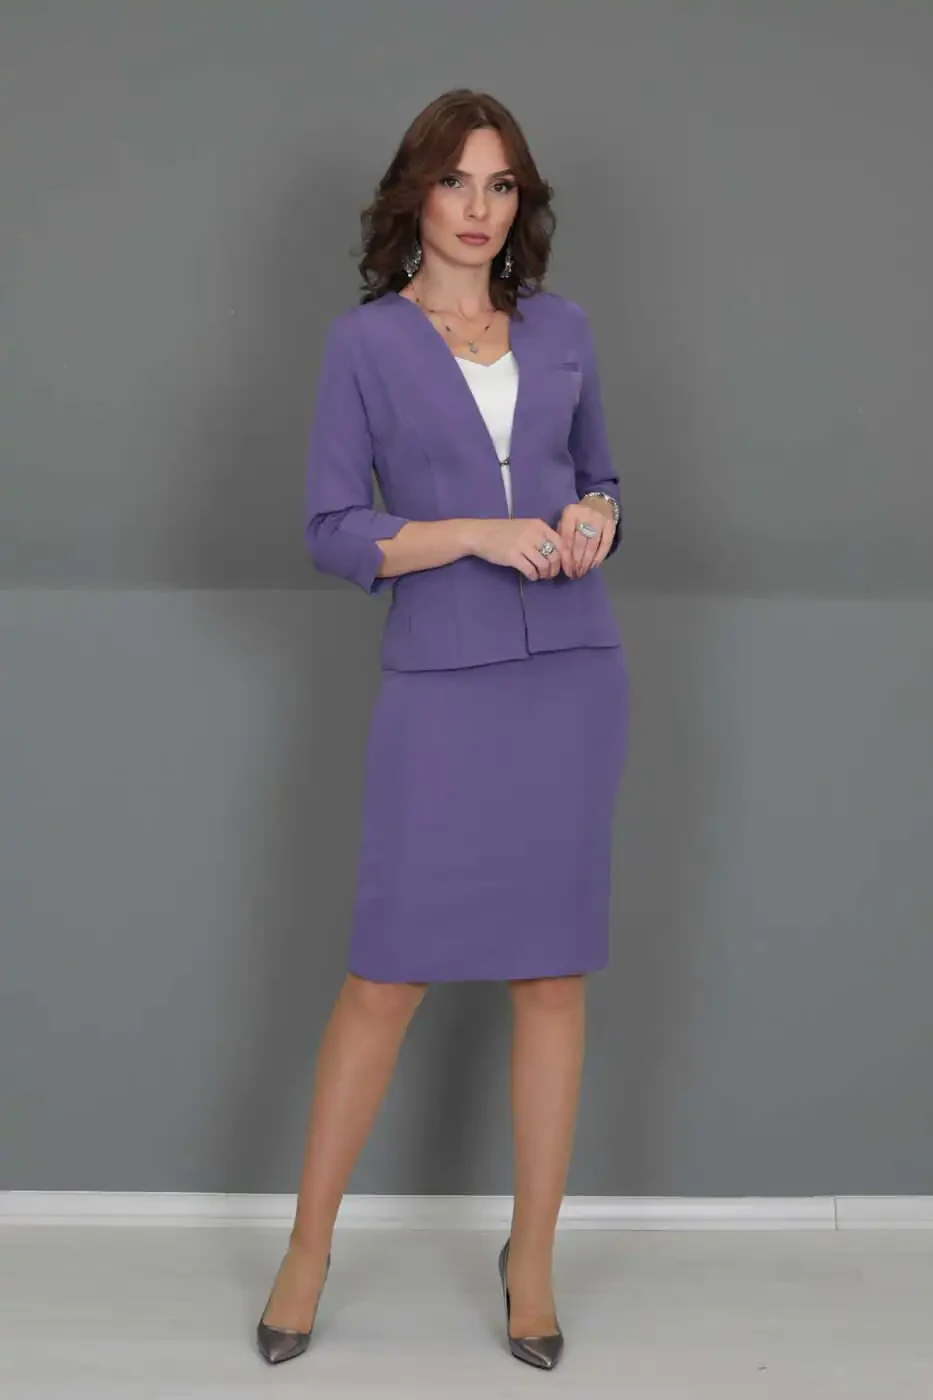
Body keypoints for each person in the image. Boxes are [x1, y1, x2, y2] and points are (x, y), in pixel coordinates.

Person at [256, 88, 629, 1372]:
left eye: (502, 184)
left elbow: (601, 473)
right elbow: (330, 528)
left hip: (573, 674)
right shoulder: (364, 344)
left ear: (523, 201)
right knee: (386, 973)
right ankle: (308, 1247)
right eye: (457, 181)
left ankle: (533, 1257)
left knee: (553, 975)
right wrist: (474, 532)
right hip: (440, 679)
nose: (479, 208)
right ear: (415, 194)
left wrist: (598, 518)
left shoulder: (565, 329)